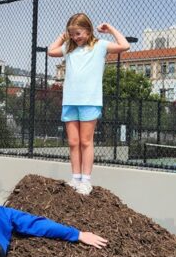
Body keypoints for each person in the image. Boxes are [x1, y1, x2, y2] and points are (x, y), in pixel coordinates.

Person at [47, 13, 131, 195]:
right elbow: (51, 51)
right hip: (70, 101)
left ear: (88, 30)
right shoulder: (68, 48)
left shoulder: (100, 46)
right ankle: (75, 178)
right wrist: (63, 36)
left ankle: (86, 181)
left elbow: (125, 45)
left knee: (86, 141)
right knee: (73, 142)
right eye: (72, 34)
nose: (75, 37)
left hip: (89, 101)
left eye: (78, 33)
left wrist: (110, 29)